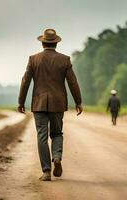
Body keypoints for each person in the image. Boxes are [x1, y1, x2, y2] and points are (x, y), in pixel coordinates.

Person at [18, 28, 83, 181]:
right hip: (58, 103)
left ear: (42, 43)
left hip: (39, 103)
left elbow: (25, 81)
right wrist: (78, 101)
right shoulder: (64, 60)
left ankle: (46, 171)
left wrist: (21, 101)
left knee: (42, 136)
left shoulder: (33, 59)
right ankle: (57, 157)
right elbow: (73, 82)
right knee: (57, 133)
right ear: (56, 43)